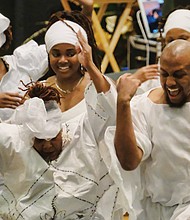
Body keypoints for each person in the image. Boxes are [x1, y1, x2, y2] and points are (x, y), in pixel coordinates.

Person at [101, 39, 190, 220]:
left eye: (179, 75)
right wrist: (123, 103)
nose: (170, 82)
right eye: (164, 74)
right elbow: (129, 161)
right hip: (152, 210)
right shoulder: (144, 106)